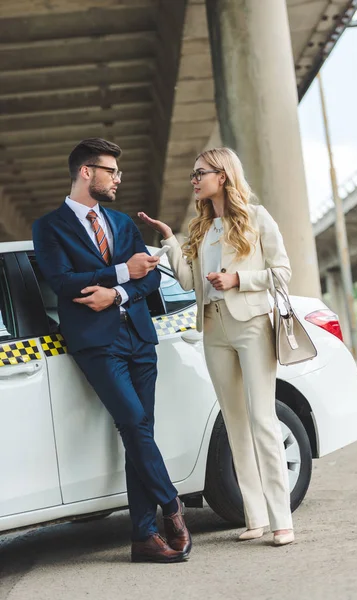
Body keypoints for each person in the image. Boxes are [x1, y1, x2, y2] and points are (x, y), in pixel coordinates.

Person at [32, 138, 191, 563]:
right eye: (111, 171)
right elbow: (62, 280)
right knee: (135, 423)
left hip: (139, 337)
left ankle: (142, 538)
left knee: (140, 432)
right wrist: (123, 271)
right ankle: (172, 507)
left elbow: (151, 279)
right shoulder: (48, 227)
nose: (118, 178)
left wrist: (116, 294)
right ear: (87, 172)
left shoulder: (122, 223)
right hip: (96, 344)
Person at [139, 147, 294, 546]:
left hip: (252, 326)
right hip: (213, 329)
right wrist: (170, 241)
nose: (194, 179)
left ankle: (282, 520)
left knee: (262, 420)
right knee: (235, 423)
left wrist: (239, 281)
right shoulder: (202, 229)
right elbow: (190, 284)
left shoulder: (256, 219)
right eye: (194, 174)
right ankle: (255, 517)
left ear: (222, 176)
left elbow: (282, 272)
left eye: (199, 173)